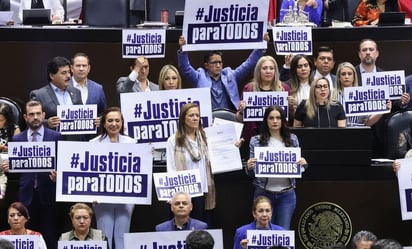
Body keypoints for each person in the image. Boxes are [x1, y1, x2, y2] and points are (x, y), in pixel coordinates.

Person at [1, 100, 62, 249]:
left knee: (49, 237)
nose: (35, 117)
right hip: (25, 197)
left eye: (38, 114)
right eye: (31, 114)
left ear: (43, 115)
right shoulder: (17, 139)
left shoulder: (55, 136)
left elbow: (62, 162)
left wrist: (58, 175)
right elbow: (18, 170)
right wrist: (11, 167)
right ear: (25, 117)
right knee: (26, 240)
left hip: (48, 194)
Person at [246, 106, 308, 229]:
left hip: (286, 194)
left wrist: (303, 165)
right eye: (271, 118)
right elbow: (252, 174)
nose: (275, 121)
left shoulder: (292, 139)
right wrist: (249, 167)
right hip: (263, 194)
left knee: (282, 233)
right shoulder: (255, 141)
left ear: (283, 120)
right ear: (266, 120)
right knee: (263, 233)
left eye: (278, 118)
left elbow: (298, 169)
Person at [177, 34, 269, 112]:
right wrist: (183, 49)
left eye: (220, 62)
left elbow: (248, 65)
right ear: (206, 65)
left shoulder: (230, 75)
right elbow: (186, 68)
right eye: (214, 63)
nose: (218, 65)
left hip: (230, 117)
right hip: (208, 120)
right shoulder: (199, 76)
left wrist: (261, 47)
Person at [90, 107, 136, 249]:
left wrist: (148, 153)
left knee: (122, 235)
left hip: (126, 197)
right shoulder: (93, 143)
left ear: (122, 123)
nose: (114, 124)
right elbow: (89, 172)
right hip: (102, 197)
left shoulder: (133, 143)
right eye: (110, 120)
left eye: (117, 120)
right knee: (105, 235)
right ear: (104, 123)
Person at [355, 39, 410, 157]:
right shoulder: (350, 74)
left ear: (377, 53)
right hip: (356, 131)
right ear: (359, 54)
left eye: (371, 49)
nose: (368, 52)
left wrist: (401, 102)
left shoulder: (385, 76)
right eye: (364, 50)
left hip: (380, 133)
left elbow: (393, 104)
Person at [166, 103, 215, 226]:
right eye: (191, 115)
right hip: (184, 192)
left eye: (197, 115)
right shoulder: (174, 140)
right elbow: (171, 168)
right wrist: (172, 194)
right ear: (183, 119)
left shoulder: (205, 138)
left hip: (203, 191)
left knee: (200, 228)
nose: (195, 118)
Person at [236, 56, 290, 160]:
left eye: (271, 68)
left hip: (277, 136)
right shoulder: (249, 88)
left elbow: (288, 118)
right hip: (253, 136)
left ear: (275, 71)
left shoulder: (284, 88)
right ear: (258, 71)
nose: (268, 71)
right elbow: (239, 118)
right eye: (264, 68)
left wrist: (291, 107)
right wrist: (242, 111)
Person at [29, 56, 83, 131]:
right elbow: (30, 120)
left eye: (69, 72)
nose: (68, 76)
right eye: (64, 73)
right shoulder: (39, 95)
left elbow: (83, 117)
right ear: (52, 76)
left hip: (74, 140)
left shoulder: (76, 92)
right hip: (52, 139)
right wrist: (47, 123)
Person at [332, 62, 391, 126]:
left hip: (359, 132)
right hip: (338, 131)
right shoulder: (332, 95)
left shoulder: (361, 94)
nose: (347, 76)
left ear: (354, 76)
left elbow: (367, 122)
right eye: (343, 74)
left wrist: (383, 110)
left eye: (349, 74)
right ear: (338, 77)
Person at [286, 54, 315, 124]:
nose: (303, 69)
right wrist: (290, 109)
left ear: (310, 68)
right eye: (299, 66)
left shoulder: (317, 84)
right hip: (294, 125)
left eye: (306, 65)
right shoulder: (287, 86)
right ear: (294, 70)